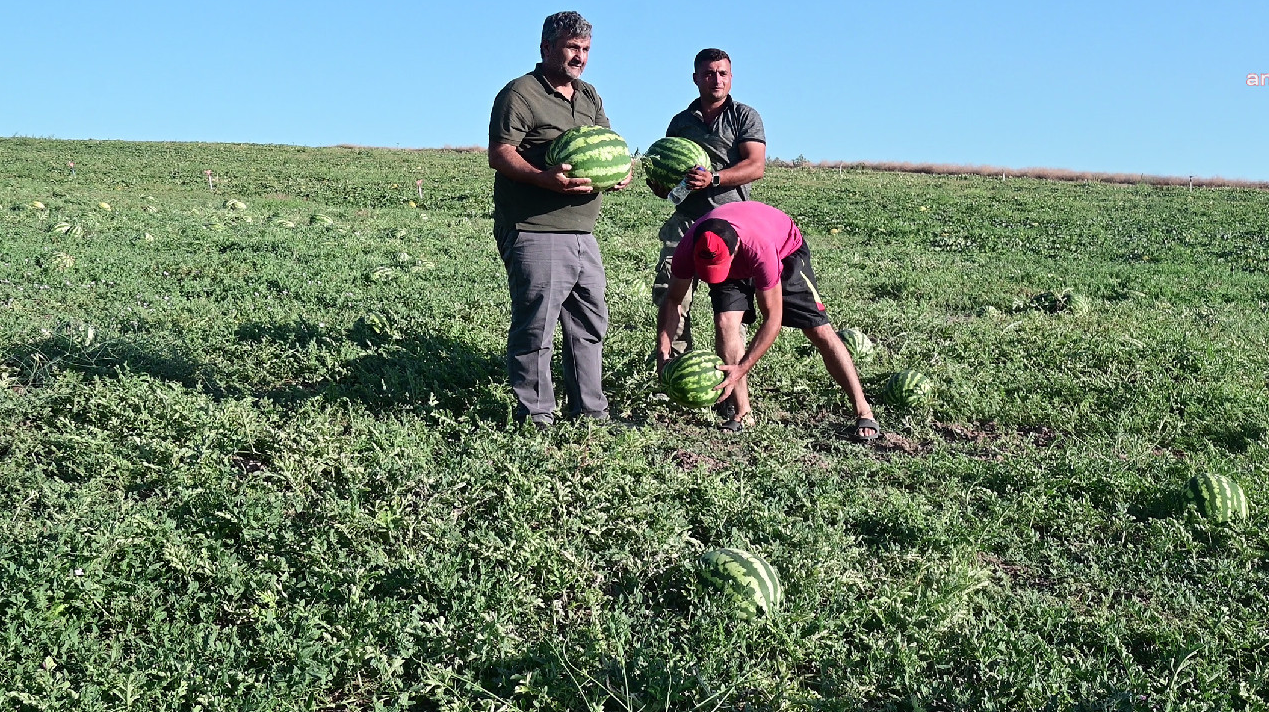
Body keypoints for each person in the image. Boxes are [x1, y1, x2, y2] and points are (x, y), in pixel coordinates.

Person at [488, 11, 632, 430]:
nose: (580, 57)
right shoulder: (520, 93)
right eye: (572, 48)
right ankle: (536, 417)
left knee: (589, 322)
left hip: (583, 230)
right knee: (537, 325)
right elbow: (501, 153)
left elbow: (610, 143)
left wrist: (621, 172)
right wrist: (544, 180)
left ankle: (590, 411)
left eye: (585, 50)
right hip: (535, 228)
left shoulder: (588, 96)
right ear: (547, 48)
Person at [654, 201, 879, 440]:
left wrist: (742, 367)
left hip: (785, 254)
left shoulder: (759, 249)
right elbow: (673, 301)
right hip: (736, 257)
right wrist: (663, 352)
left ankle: (863, 409)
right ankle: (742, 412)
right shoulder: (689, 247)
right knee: (725, 324)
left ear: (736, 248)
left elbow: (772, 318)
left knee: (818, 331)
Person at [649, 48, 767, 362]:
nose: (716, 80)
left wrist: (713, 179)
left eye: (722, 73)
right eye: (708, 73)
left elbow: (755, 166)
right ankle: (674, 368)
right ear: (696, 78)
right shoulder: (680, 122)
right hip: (686, 219)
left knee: (729, 308)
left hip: (730, 222)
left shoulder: (744, 116)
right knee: (671, 295)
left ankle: (731, 381)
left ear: (730, 77)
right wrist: (661, 187)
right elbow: (669, 175)